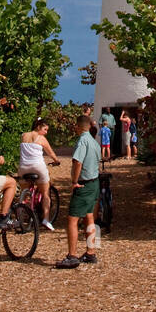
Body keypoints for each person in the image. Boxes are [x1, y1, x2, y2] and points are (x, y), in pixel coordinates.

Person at [55, 112, 102, 268]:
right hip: (94, 183)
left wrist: (74, 181)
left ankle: (72, 255)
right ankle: (91, 252)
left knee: (72, 219)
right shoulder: (95, 142)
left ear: (77, 127)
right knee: (90, 217)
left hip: (83, 184)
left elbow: (77, 161)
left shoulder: (82, 141)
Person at [19, 118, 60, 231]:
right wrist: (56, 161)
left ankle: (21, 217)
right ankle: (46, 220)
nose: (46, 132)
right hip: (38, 167)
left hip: (23, 168)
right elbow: (50, 152)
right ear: (38, 127)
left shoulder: (23, 135)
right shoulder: (41, 138)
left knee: (24, 193)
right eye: (45, 129)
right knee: (46, 193)